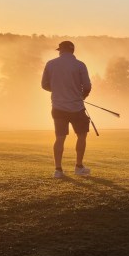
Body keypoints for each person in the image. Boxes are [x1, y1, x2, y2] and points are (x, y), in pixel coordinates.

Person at [41, 40, 92, 178]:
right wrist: (82, 96)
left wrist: (58, 90)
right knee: (81, 136)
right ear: (72, 51)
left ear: (61, 50)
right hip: (77, 107)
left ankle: (58, 170)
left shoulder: (50, 64)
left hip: (58, 107)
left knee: (60, 138)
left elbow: (44, 85)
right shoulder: (80, 65)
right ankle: (79, 167)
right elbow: (87, 86)